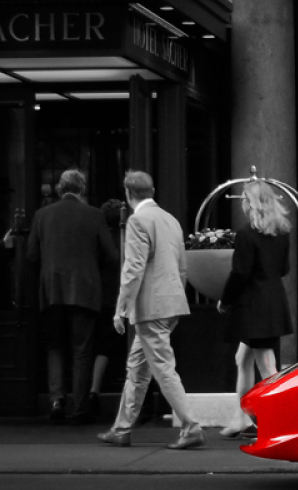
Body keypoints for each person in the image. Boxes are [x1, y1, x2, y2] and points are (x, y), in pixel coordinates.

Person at [97, 170, 205, 450]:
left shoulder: (138, 221)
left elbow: (133, 268)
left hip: (149, 307)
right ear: (153, 191)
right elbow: (182, 268)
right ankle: (121, 428)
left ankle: (191, 426)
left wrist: (120, 308)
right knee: (138, 368)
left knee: (161, 368)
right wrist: (176, 301)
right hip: (169, 304)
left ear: (127, 193)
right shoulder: (170, 220)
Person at [26, 169, 117, 424]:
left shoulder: (42, 215)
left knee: (55, 346)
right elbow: (111, 255)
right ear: (82, 189)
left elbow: (31, 254)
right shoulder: (94, 215)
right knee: (81, 350)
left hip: (51, 289)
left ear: (59, 189)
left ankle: (56, 401)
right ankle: (79, 407)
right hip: (84, 290)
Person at [216, 179, 294, 438]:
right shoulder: (282, 233)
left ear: (253, 204)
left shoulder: (246, 234)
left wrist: (225, 299)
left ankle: (277, 421)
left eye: (245, 200)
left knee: (267, 366)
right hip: (273, 301)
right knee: (244, 359)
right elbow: (284, 269)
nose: (243, 205)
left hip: (253, 306)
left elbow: (240, 273)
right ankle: (243, 417)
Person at [87, 198, 128, 420]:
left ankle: (94, 390)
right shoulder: (126, 238)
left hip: (104, 298)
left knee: (102, 348)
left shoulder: (100, 240)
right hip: (123, 298)